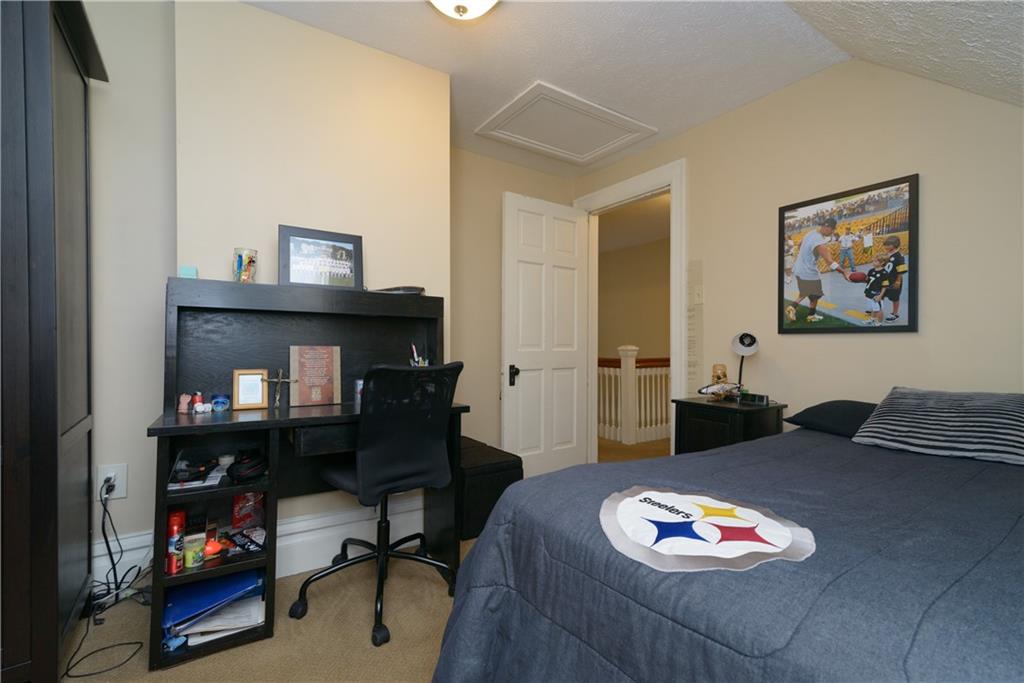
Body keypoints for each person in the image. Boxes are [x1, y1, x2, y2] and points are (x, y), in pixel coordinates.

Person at [791, 217, 846, 323]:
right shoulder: (820, 243)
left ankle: (793, 307)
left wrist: (807, 254)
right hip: (809, 272)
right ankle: (810, 316)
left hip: (798, 269)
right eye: (832, 229)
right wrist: (844, 272)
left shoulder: (810, 232)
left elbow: (799, 245)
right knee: (815, 294)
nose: (833, 232)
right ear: (827, 227)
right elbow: (830, 262)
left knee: (806, 292)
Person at [880, 235, 907, 322]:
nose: (886, 247)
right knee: (881, 295)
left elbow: (901, 270)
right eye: (885, 245)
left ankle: (895, 313)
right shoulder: (887, 254)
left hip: (894, 280)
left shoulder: (899, 256)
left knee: (894, 297)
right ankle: (878, 310)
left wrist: (898, 281)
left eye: (888, 245)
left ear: (895, 245)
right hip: (885, 279)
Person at [860, 254, 889, 326]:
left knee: (879, 309)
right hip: (869, 292)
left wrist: (880, 296)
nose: (873, 262)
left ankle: (879, 323)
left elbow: (884, 286)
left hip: (877, 294)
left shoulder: (884, 273)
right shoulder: (871, 270)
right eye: (873, 261)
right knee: (873, 308)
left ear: (882, 263)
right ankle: (872, 319)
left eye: (875, 261)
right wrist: (860, 279)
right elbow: (868, 281)